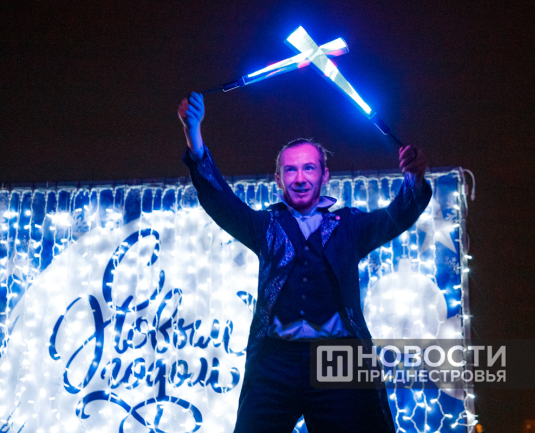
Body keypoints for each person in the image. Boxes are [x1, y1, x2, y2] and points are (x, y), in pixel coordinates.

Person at [178, 92, 432, 433]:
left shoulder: (349, 226)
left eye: (309, 168)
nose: (300, 178)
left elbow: (397, 216)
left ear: (325, 175)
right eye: (291, 170)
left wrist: (414, 177)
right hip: (275, 361)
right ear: (278, 179)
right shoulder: (266, 226)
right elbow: (219, 200)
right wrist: (193, 135)